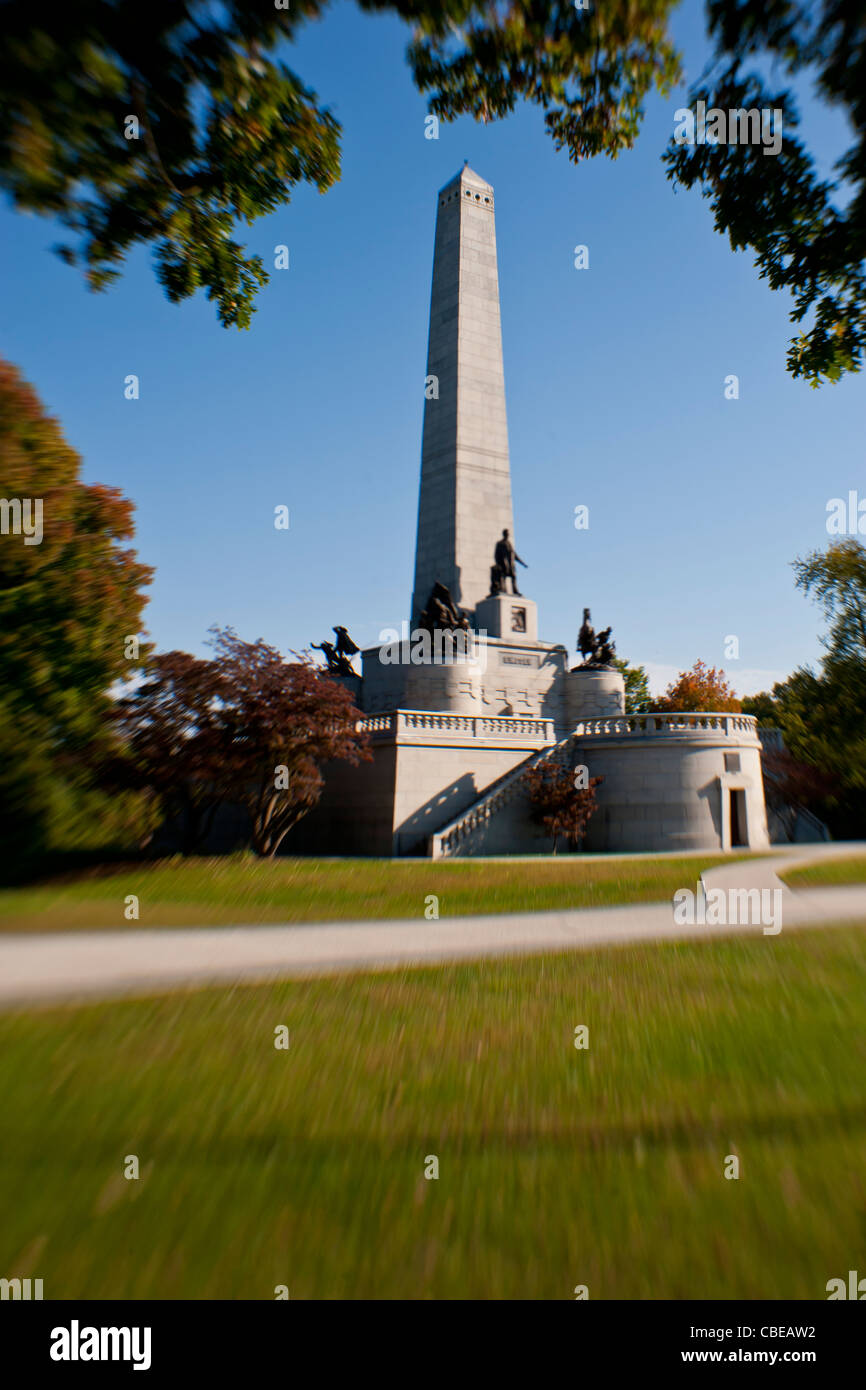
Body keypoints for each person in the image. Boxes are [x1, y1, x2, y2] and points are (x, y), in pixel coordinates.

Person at [493, 528, 527, 596]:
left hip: (511, 565)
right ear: (504, 534)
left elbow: (514, 555)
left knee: (513, 577)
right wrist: (498, 564)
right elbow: (496, 555)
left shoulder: (509, 543)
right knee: (503, 578)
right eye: (506, 534)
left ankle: (515, 591)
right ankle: (503, 590)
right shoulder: (500, 543)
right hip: (503, 564)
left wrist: (523, 563)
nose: (508, 535)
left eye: (508, 534)